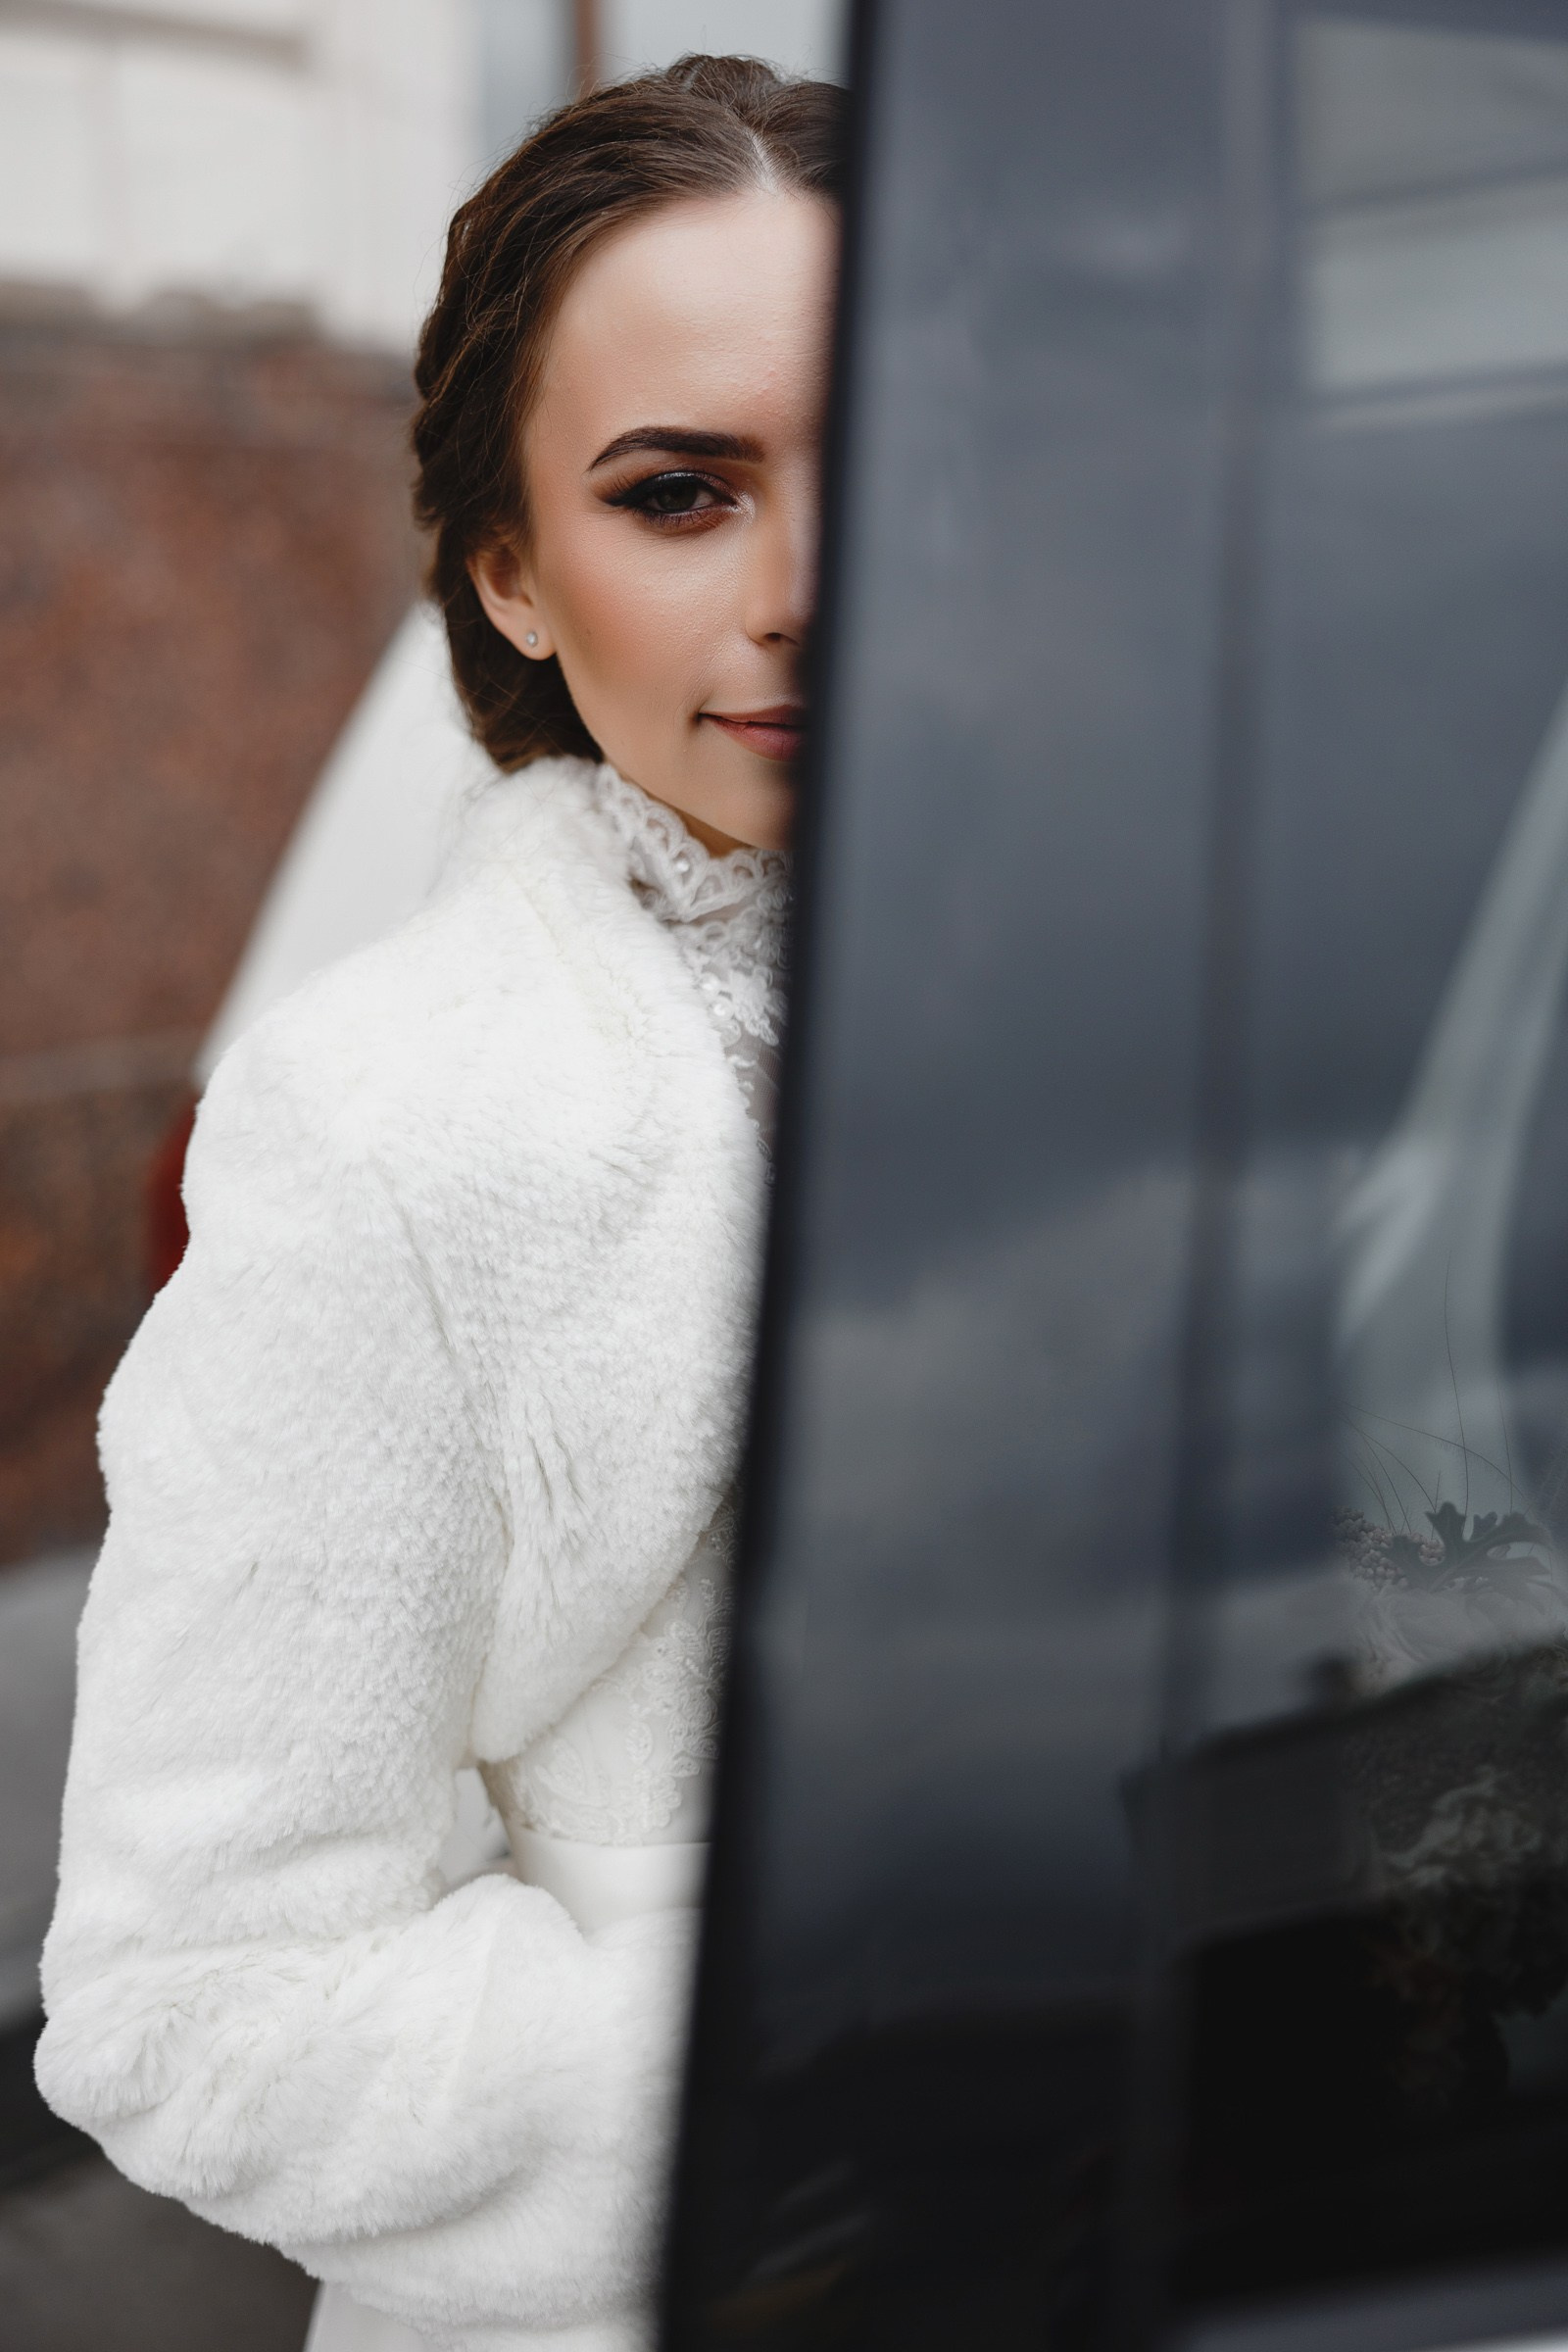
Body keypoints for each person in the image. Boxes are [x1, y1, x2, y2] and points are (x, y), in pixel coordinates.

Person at [36, 55, 844, 2352]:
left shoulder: (1201, 999)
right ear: (507, 571)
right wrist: (856, 2087)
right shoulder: (395, 1125)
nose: (805, 590)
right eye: (676, 493)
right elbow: (198, 1997)